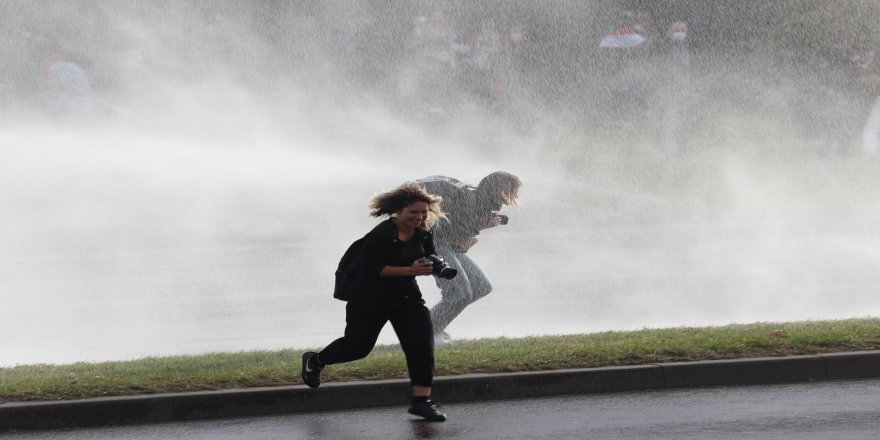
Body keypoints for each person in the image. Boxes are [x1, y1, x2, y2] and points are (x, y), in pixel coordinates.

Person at [301, 183, 448, 422]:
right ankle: (315, 360)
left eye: (424, 212)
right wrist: (410, 270)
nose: (420, 217)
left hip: (406, 297)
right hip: (369, 297)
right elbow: (371, 270)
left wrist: (437, 268)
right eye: (414, 212)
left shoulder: (423, 232)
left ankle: (421, 402)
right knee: (357, 347)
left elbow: (426, 256)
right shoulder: (382, 234)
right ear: (399, 210)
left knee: (421, 345)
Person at [418, 172, 521, 344]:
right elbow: (450, 233)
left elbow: (460, 235)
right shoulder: (470, 200)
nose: (516, 196)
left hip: (444, 244)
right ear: (501, 190)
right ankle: (424, 334)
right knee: (459, 293)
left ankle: (430, 326)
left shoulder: (480, 201)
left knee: (481, 286)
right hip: (433, 244)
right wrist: (477, 231)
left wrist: (477, 230)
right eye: (514, 191)